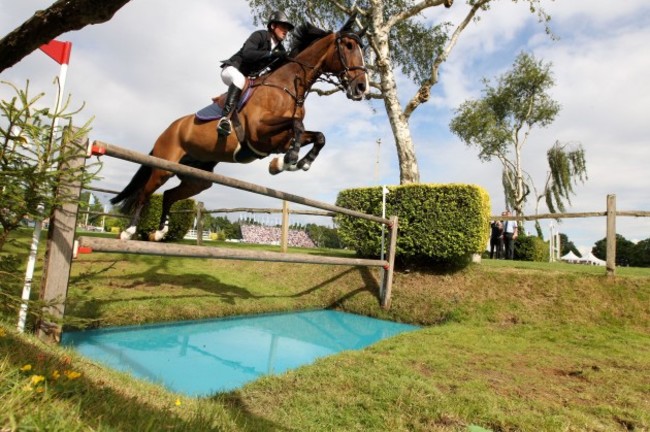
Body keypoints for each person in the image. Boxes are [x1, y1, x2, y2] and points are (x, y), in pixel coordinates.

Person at [217, 11, 295, 136]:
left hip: (249, 79)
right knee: (239, 80)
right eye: (283, 27)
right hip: (232, 69)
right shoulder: (260, 35)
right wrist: (270, 54)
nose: (286, 31)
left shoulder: (280, 49)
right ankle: (224, 119)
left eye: (287, 29)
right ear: (273, 26)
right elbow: (247, 54)